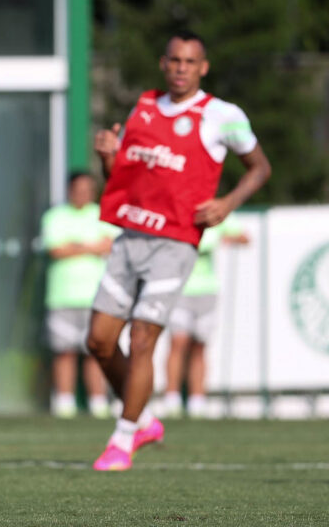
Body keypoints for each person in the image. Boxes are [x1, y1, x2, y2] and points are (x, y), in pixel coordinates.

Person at [88, 30, 270, 471]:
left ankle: (123, 438)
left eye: (190, 61)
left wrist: (227, 203)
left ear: (203, 67)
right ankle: (143, 419)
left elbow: (260, 167)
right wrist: (108, 156)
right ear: (163, 63)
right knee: (99, 341)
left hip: (176, 241)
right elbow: (122, 178)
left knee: (142, 338)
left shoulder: (223, 115)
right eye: (175, 60)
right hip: (131, 236)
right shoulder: (144, 106)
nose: (181, 68)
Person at [41, 172, 117, 419]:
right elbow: (56, 249)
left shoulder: (103, 214)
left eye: (87, 189)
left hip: (96, 298)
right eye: (78, 189)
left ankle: (98, 402)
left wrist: (75, 245)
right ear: (69, 190)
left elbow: (109, 245)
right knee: (64, 351)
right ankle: (65, 402)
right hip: (62, 296)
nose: (82, 194)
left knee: (95, 352)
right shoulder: (55, 216)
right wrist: (91, 246)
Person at [162, 215, 249, 419]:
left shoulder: (211, 213)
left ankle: (197, 400)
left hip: (207, 290)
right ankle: (172, 398)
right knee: (178, 341)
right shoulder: (178, 213)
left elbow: (244, 237)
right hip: (179, 289)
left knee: (199, 345)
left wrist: (228, 239)